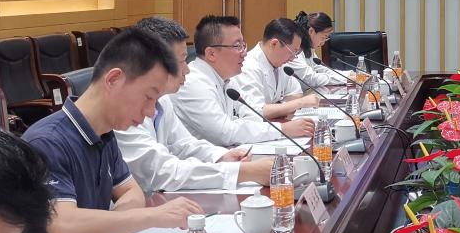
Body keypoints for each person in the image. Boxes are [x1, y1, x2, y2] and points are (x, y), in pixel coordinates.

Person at [0, 28, 202, 233]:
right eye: (149, 97)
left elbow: (131, 192)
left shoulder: (104, 133)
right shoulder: (48, 141)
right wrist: (155, 216)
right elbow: (66, 227)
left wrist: (99, 230)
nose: (149, 112)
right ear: (114, 79)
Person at [116, 16, 273, 192]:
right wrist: (242, 172)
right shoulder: (123, 110)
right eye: (181, 61)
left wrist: (221, 156)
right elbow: (161, 171)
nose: (187, 69)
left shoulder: (162, 100)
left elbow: (183, 144)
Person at [174, 15, 316, 145]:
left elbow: (253, 116)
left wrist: (241, 126)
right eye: (237, 46)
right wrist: (283, 129)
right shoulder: (193, 83)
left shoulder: (228, 79)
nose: (244, 53)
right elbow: (225, 132)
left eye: (243, 45)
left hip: (229, 153)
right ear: (211, 53)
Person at [231, 17, 321, 120]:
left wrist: (274, 108)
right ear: (274, 44)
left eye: (296, 53)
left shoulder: (280, 64)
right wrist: (299, 103)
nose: (292, 58)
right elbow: (257, 112)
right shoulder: (248, 66)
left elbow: (296, 93)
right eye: (292, 52)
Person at [288, 11, 345, 90]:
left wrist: (348, 75)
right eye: (323, 37)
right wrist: (344, 79)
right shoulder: (295, 52)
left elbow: (321, 69)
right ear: (311, 31)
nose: (323, 42)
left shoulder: (308, 48)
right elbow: (311, 78)